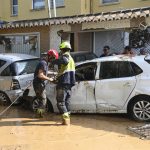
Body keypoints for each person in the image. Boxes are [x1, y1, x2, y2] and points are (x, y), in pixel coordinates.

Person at [51, 41, 76, 125]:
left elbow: (64, 61)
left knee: (60, 102)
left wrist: (53, 61)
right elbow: (64, 70)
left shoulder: (65, 56)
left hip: (64, 82)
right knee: (66, 102)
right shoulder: (71, 58)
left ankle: (65, 121)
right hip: (70, 82)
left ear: (62, 49)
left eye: (61, 50)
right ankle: (67, 120)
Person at [33, 49, 59, 117]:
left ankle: (38, 115)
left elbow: (45, 72)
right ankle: (39, 116)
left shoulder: (44, 63)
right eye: (53, 58)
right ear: (49, 56)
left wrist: (54, 73)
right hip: (39, 84)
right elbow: (40, 75)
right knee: (43, 100)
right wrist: (50, 79)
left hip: (38, 84)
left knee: (41, 100)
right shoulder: (43, 63)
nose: (53, 60)